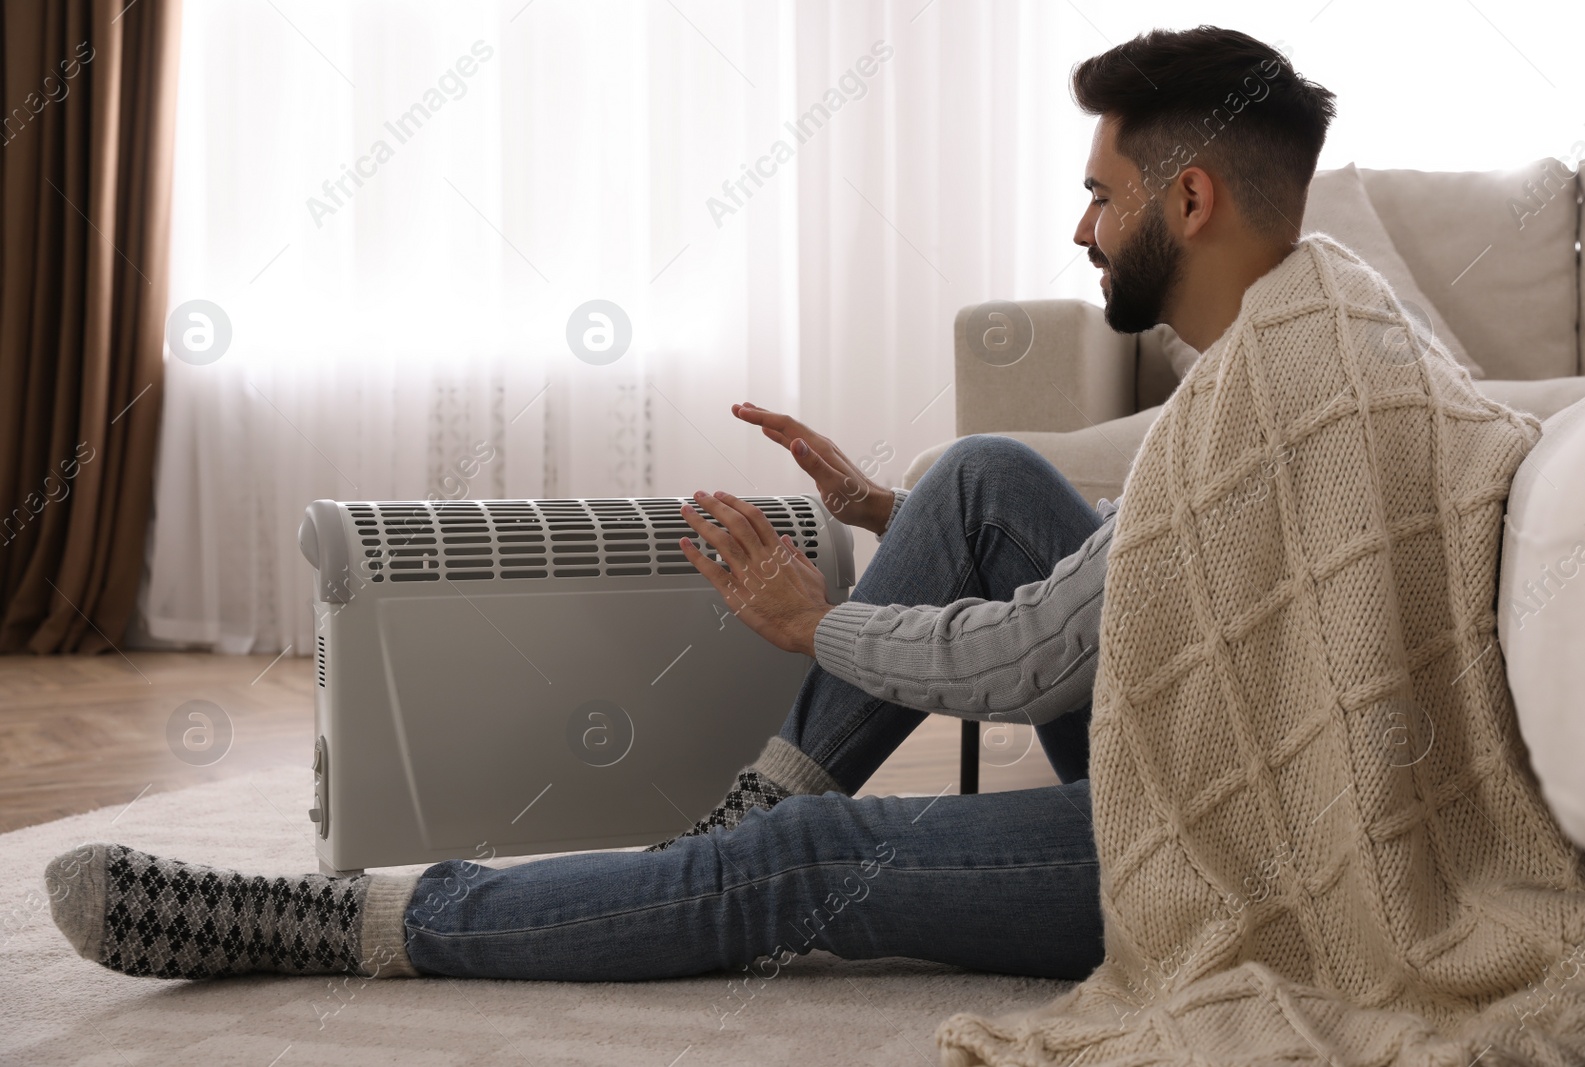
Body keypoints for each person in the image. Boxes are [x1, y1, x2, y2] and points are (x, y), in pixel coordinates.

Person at [45, 25, 1336, 987]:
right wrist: (888, 509)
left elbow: (1030, 656)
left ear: (1190, 200)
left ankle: (359, 926)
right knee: (980, 476)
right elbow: (1142, 582)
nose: (1082, 230)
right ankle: (736, 829)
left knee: (811, 863)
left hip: (1225, 858)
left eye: (1102, 194)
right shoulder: (1300, 339)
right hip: (1213, 752)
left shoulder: (1267, 396)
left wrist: (813, 623)